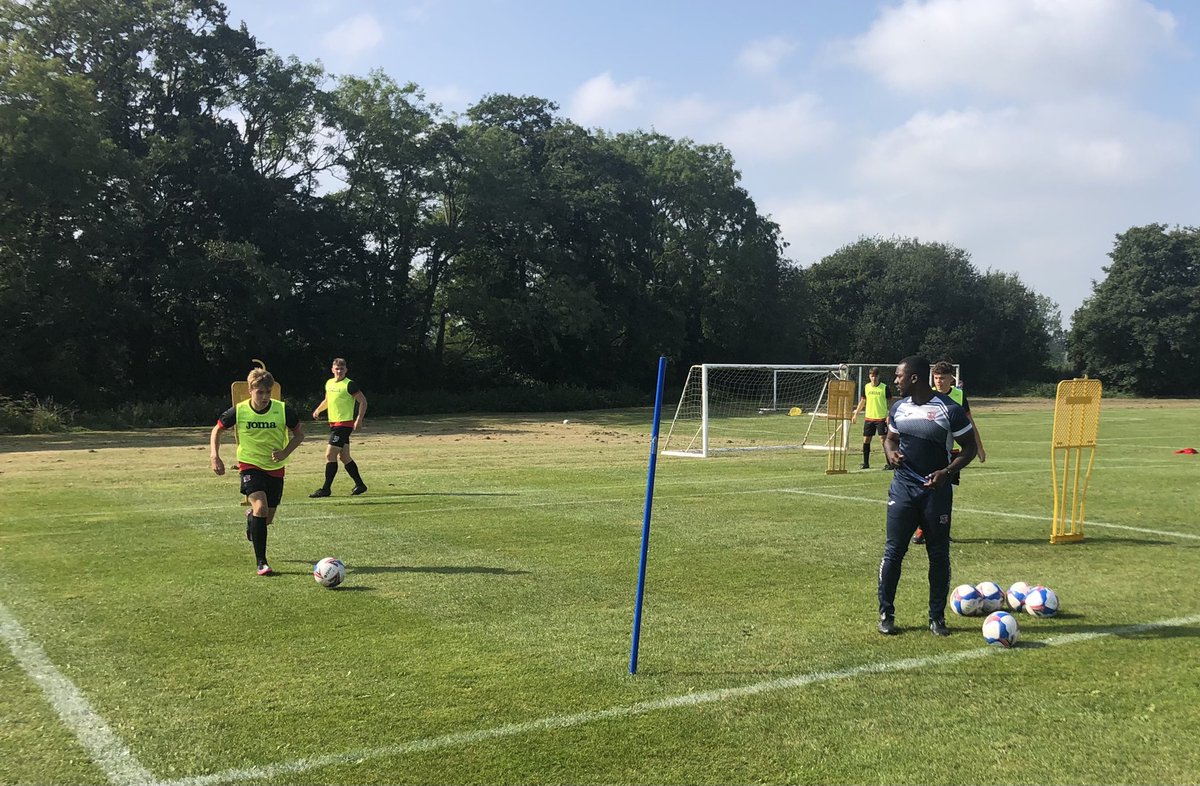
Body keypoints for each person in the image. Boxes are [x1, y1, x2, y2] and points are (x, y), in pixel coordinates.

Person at [876, 356, 977, 637]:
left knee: (938, 555)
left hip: (936, 493)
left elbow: (968, 448)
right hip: (903, 488)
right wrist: (890, 452)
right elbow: (890, 438)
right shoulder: (898, 408)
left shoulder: (949, 410)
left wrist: (947, 471)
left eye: (898, 376)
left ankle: (937, 617)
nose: (895, 381)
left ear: (914, 378)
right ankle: (886, 613)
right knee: (893, 552)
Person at [210, 368, 305, 576]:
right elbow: (217, 430)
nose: (264, 397)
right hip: (249, 465)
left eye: (267, 392)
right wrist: (215, 456)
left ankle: (251, 520)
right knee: (260, 507)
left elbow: (299, 435)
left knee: (266, 518)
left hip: (275, 468)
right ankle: (262, 562)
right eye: (260, 392)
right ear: (251, 390)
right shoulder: (239, 410)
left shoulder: (283, 410)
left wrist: (284, 452)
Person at [912, 361, 987, 544]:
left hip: (952, 452)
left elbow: (969, 422)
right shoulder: (927, 394)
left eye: (943, 378)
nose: (939, 382)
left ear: (951, 379)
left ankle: (942, 531)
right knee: (925, 491)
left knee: (946, 493)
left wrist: (979, 446)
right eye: (936, 378)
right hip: (931, 450)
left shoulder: (959, 396)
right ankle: (921, 529)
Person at [309, 357, 368, 497]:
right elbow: (328, 400)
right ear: (332, 370)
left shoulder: (349, 384)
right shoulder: (329, 383)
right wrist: (318, 410)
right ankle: (360, 485)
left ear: (346, 370)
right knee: (345, 456)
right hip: (334, 424)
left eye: (342, 369)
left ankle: (326, 489)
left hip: (344, 425)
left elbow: (363, 401)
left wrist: (359, 419)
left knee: (330, 455)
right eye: (337, 368)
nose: (339, 371)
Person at [849, 367, 894, 470]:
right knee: (866, 440)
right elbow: (862, 401)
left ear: (878, 376)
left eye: (875, 376)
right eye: (871, 376)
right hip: (869, 418)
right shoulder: (867, 387)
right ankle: (865, 463)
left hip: (881, 418)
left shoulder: (884, 388)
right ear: (869, 376)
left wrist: (889, 415)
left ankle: (890, 463)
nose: (873, 378)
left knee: (883, 440)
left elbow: (890, 402)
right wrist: (856, 414)